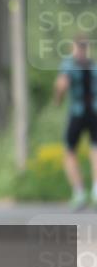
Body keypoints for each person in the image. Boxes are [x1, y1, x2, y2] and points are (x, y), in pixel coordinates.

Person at [53, 34, 97, 210]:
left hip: (77, 112)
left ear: (74, 47)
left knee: (69, 152)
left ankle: (79, 192)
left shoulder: (69, 65)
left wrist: (58, 99)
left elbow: (62, 84)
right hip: (94, 111)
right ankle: (95, 190)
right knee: (95, 149)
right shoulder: (93, 65)